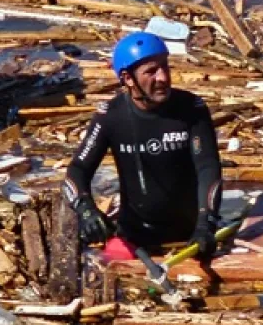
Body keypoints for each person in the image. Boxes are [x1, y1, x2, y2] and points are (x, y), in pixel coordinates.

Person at [63, 32, 223, 262]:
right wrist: (86, 210)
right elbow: (76, 171)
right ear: (128, 79)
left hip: (191, 237)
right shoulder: (111, 116)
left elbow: (208, 167)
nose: (164, 78)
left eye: (165, 67)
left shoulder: (191, 109)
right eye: (151, 71)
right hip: (136, 238)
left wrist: (206, 221)